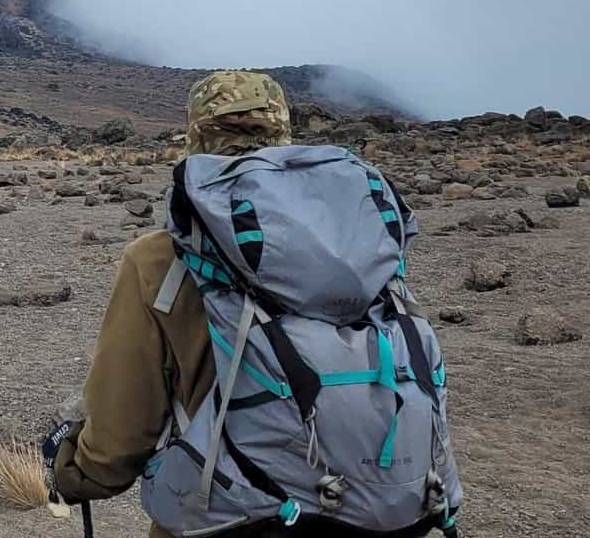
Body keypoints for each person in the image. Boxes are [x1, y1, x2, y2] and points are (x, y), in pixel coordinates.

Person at [47, 71, 461, 537]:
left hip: (234, 519)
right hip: (379, 508)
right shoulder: (359, 245)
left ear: (195, 137)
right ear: (285, 136)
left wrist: (73, 471)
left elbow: (121, 436)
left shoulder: (160, 258)